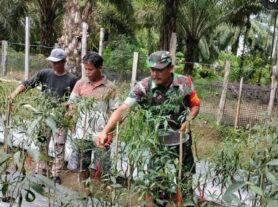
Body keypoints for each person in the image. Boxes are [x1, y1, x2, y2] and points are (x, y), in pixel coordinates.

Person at [95, 51, 201, 205]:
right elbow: (123, 109)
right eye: (152, 69)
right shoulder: (144, 86)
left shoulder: (185, 83)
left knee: (184, 180)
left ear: (171, 68)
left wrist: (189, 119)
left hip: (181, 140)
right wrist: (105, 131)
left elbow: (195, 105)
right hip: (156, 142)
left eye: (159, 69)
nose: (154, 73)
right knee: (156, 182)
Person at [8, 48, 78, 184]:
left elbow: (73, 102)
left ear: (64, 62)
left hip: (60, 119)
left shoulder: (72, 80)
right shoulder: (44, 74)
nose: (53, 64)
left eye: (56, 62)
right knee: (42, 144)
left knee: (59, 146)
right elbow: (26, 84)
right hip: (44, 116)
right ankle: (41, 171)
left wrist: (69, 116)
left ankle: (56, 174)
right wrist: (13, 95)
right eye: (52, 62)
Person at [67, 52, 119, 180]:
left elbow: (116, 111)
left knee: (102, 166)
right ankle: (84, 191)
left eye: (90, 69)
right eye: (85, 69)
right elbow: (72, 104)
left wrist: (110, 133)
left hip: (101, 135)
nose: (87, 72)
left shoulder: (110, 88)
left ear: (100, 68)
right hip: (82, 133)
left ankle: (99, 194)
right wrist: (71, 123)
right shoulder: (80, 84)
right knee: (82, 166)